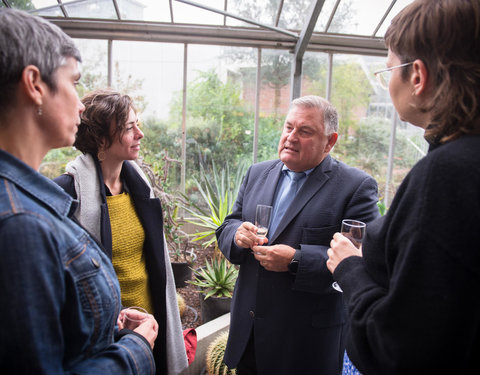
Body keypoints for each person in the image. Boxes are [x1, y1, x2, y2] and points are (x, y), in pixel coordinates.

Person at [0, 8, 158, 374]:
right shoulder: (21, 223)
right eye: (73, 82)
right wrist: (135, 350)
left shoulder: (30, 203)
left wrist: (107, 319)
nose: (81, 103)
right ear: (35, 85)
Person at [327, 0, 480, 374]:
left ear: (417, 76)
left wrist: (350, 269)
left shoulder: (448, 175)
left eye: (389, 68)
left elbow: (400, 349)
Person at [216, 95, 380, 375]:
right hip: (250, 336)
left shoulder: (355, 187)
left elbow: (362, 260)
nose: (291, 137)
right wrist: (236, 235)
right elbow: (229, 223)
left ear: (330, 141)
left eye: (304, 131)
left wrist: (296, 260)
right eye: (288, 127)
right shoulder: (257, 173)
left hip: (305, 345)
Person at [54, 89, 188, 375]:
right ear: (101, 139)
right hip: (105, 337)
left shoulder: (139, 187)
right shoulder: (66, 195)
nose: (140, 134)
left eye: (137, 124)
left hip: (151, 325)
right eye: (129, 127)